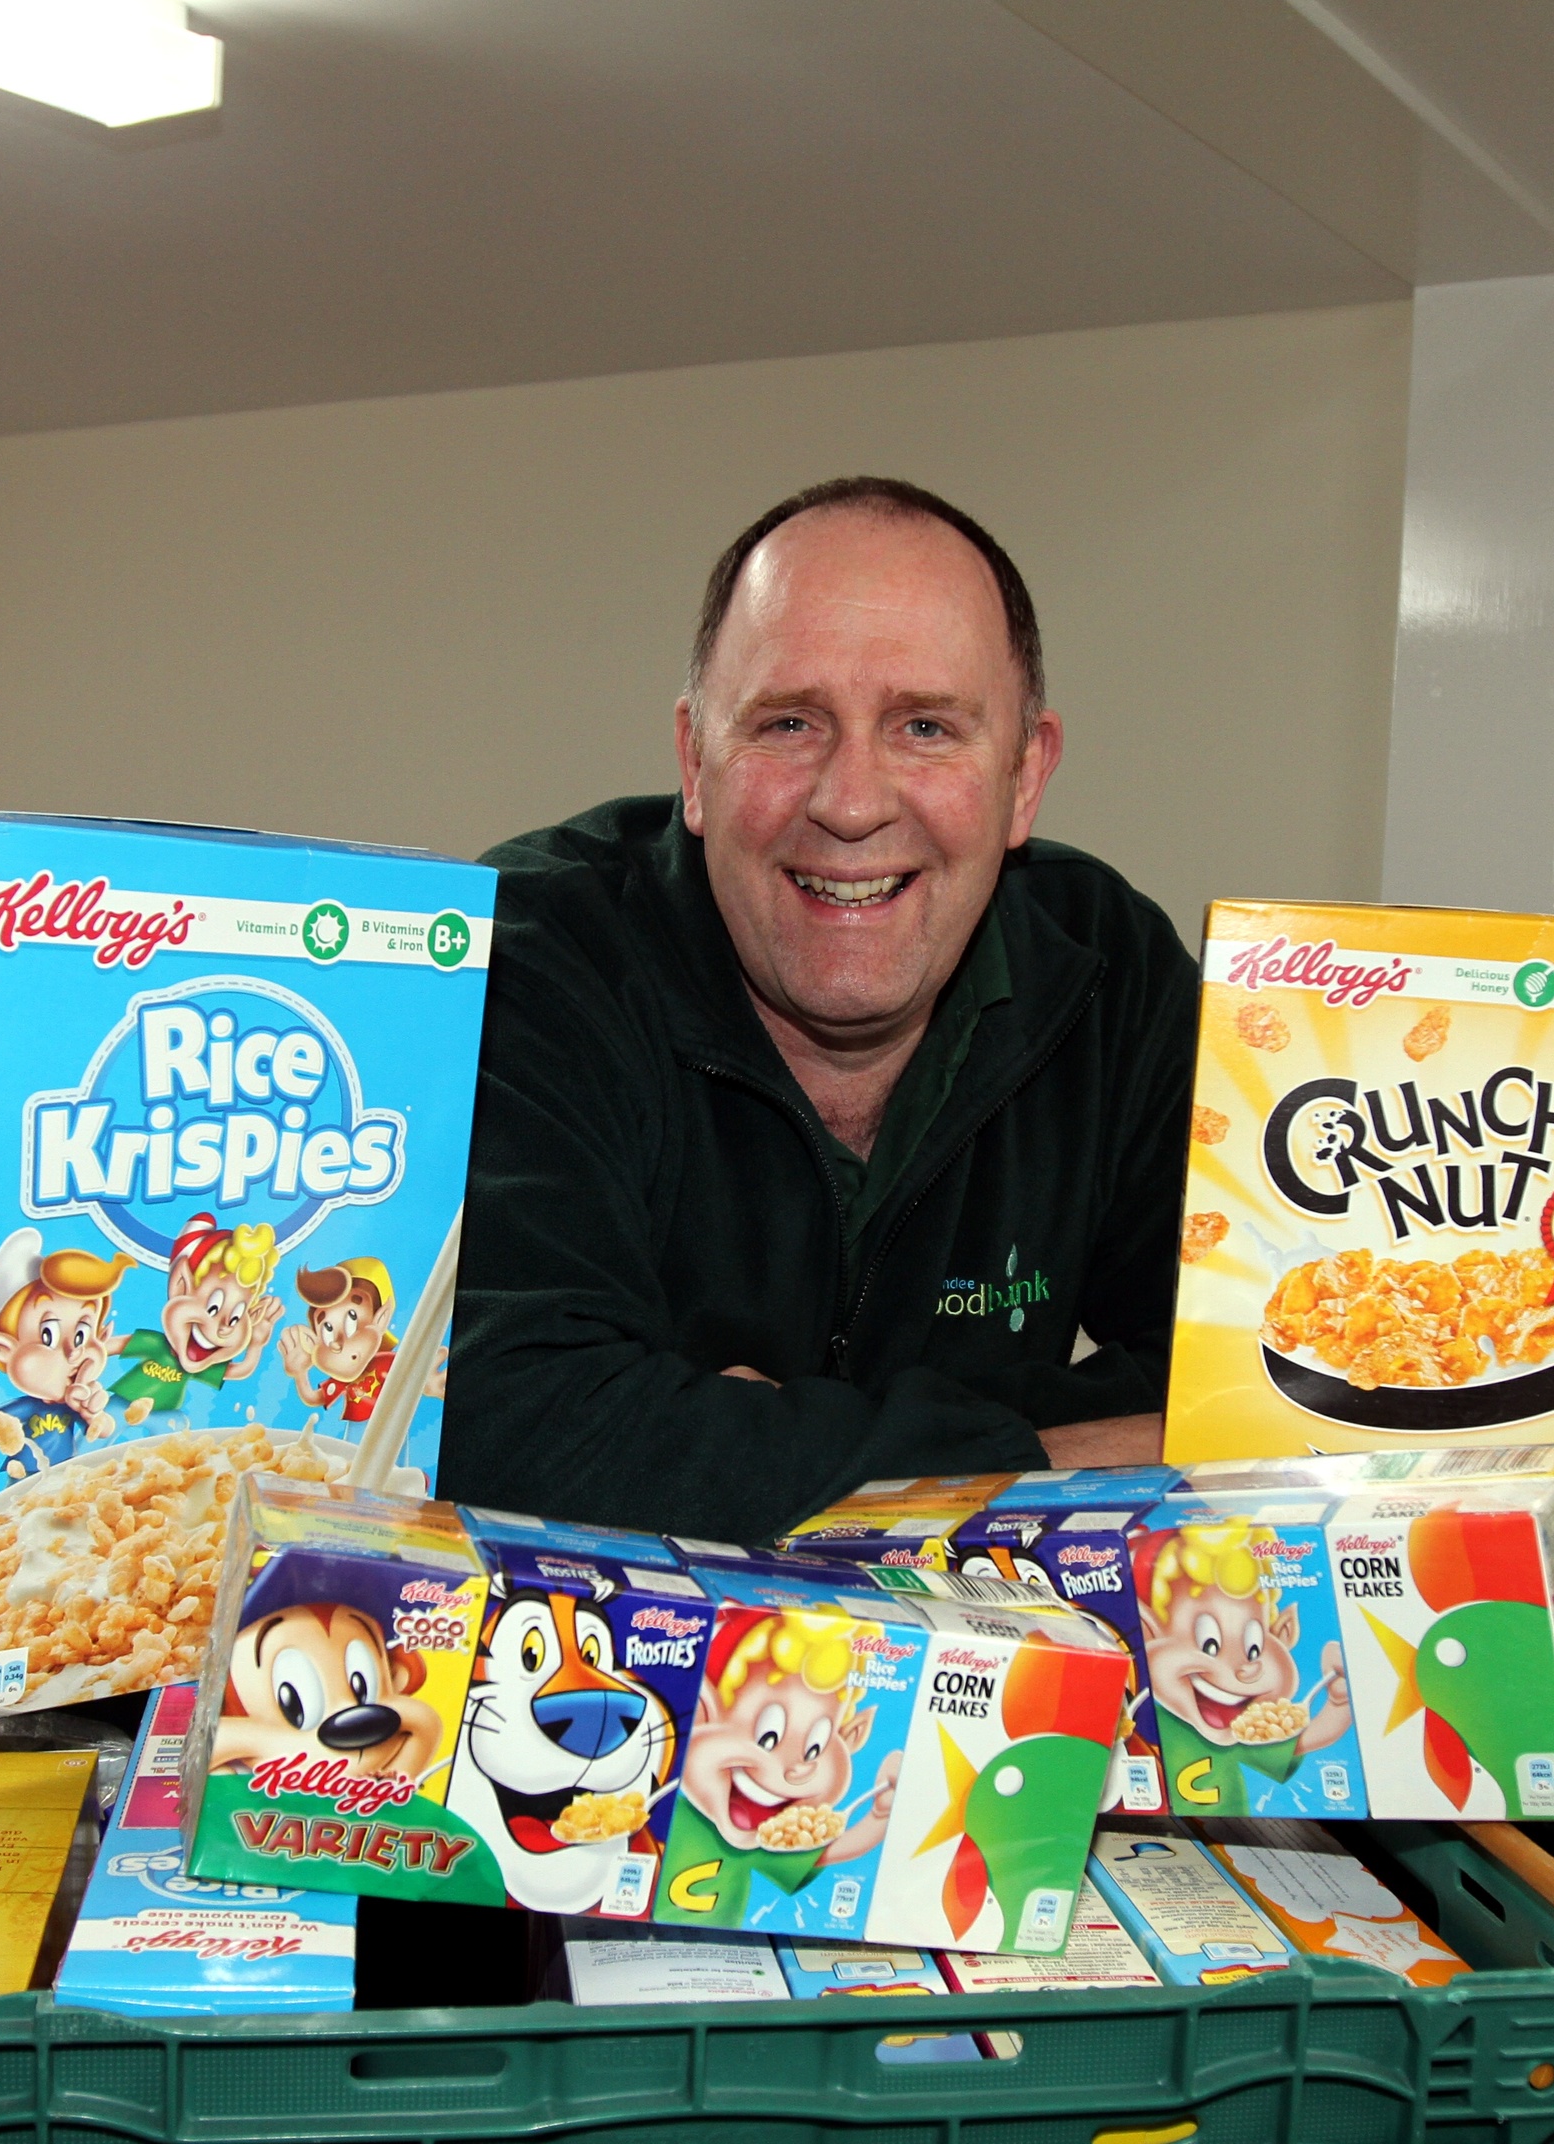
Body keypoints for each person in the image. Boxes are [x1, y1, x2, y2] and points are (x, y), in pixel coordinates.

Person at [442, 476, 1200, 1544]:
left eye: (926, 727)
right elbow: (503, 1431)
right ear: (693, 762)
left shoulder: (1107, 968)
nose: (850, 802)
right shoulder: (529, 956)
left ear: (1025, 777)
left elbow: (1260, 1408)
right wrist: (1048, 1453)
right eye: (789, 723)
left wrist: (743, 1442)